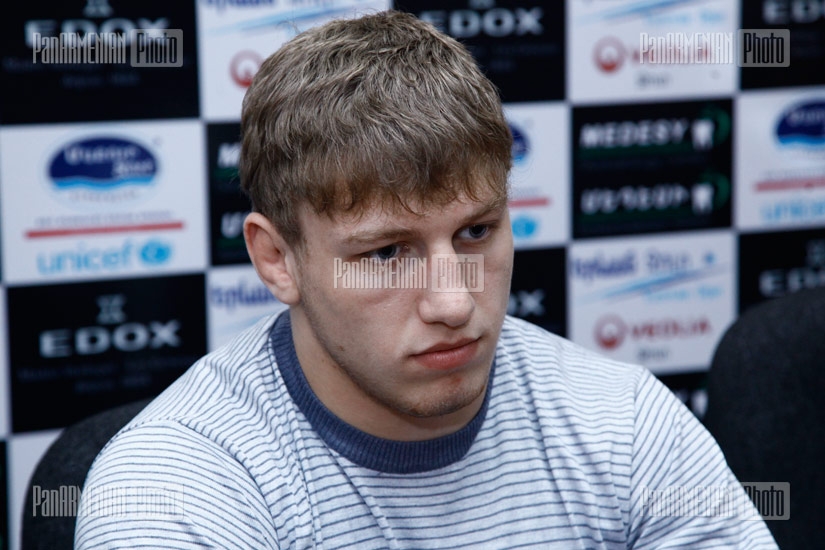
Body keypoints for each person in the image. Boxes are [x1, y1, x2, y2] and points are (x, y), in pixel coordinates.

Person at [75, 10, 778, 548]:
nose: (453, 301)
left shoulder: (625, 427)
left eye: (475, 232)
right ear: (276, 260)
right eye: (384, 253)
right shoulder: (172, 489)